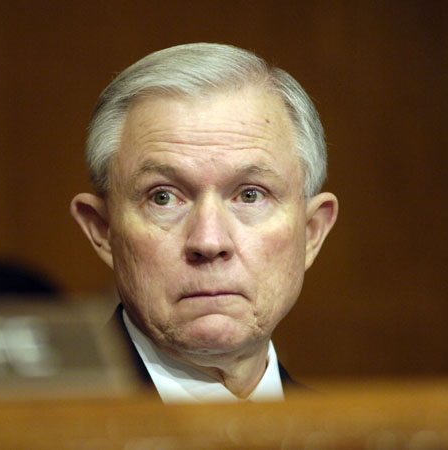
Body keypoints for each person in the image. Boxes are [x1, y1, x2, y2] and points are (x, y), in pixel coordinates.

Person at [71, 43, 338, 403]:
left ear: (311, 232)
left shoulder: (359, 432)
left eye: (250, 195)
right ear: (103, 230)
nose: (209, 242)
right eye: (163, 197)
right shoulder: (33, 428)